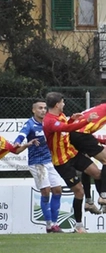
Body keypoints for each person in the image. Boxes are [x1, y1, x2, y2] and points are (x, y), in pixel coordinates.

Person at [42, 92, 106, 233]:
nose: (64, 104)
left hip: (72, 154)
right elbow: (65, 128)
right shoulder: (49, 121)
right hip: (61, 161)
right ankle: (79, 226)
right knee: (78, 191)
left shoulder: (61, 116)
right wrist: (86, 120)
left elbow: (66, 129)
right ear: (57, 104)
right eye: (62, 102)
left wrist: (71, 120)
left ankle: (101, 201)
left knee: (98, 174)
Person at [13, 99, 64, 233]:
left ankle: (55, 223)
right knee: (46, 190)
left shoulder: (49, 122)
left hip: (49, 161)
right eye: (40, 108)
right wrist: (19, 143)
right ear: (34, 110)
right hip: (37, 163)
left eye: (44, 108)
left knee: (57, 190)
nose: (43, 110)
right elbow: (21, 135)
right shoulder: (30, 124)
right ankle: (49, 225)